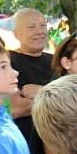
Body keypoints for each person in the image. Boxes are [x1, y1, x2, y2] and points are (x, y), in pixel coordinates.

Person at [9, 8, 53, 142]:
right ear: (16, 34)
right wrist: (59, 100)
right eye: (32, 27)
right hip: (26, 141)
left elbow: (76, 100)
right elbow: (16, 108)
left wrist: (40, 92)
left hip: (57, 142)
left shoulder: (56, 60)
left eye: (43, 26)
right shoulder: (8, 61)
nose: (40, 31)